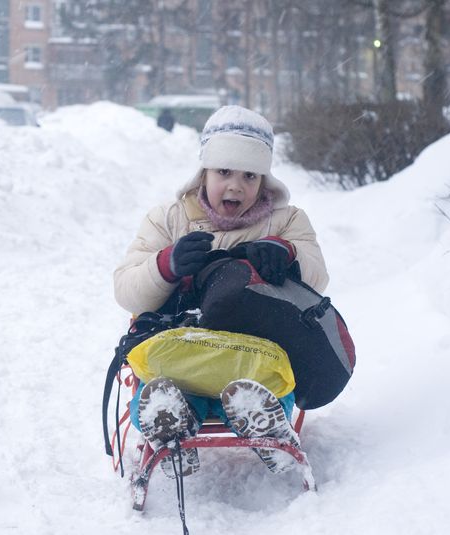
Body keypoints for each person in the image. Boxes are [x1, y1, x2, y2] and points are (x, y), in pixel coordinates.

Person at [114, 105, 329, 478]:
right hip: (183, 346)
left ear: (264, 180)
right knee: (163, 384)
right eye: (224, 171)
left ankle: (262, 416)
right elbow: (126, 291)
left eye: (250, 175)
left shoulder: (286, 221)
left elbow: (318, 280)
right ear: (204, 172)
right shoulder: (169, 219)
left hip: (255, 350)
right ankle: (172, 422)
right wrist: (167, 265)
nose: (235, 185)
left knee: (269, 376)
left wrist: (287, 254)